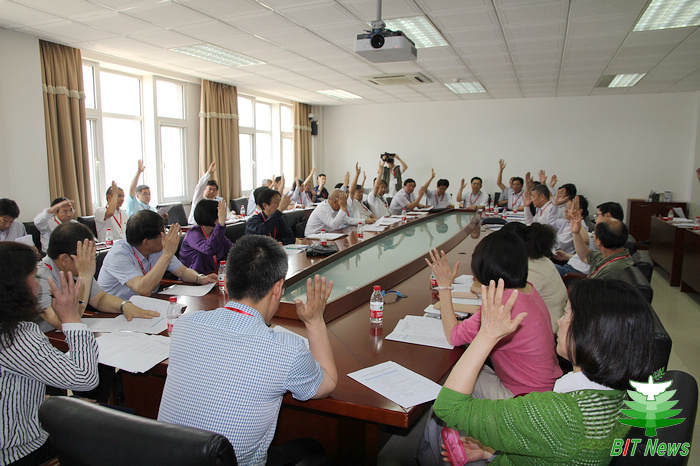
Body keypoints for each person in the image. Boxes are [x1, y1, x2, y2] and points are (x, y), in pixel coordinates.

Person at [431, 279, 655, 464]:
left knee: (433, 430)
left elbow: (449, 407)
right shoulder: (621, 398)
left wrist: (487, 334)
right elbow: (549, 453)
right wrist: (490, 453)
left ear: (589, 333)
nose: (559, 321)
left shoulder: (559, 415)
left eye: (567, 314)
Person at [158, 235, 337, 465]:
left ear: (227, 281)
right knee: (313, 448)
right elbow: (328, 383)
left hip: (170, 458)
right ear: (278, 288)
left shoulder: (184, 326)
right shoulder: (287, 350)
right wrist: (314, 321)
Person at [427, 234, 562, 399]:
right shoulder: (527, 289)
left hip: (522, 397)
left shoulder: (503, 305)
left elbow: (453, 336)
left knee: (452, 372)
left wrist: (444, 286)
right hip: (545, 386)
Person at [0, 242, 98, 465]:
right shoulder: (16, 335)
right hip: (20, 451)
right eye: (34, 277)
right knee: (117, 427)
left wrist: (53, 400)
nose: (38, 284)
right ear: (15, 286)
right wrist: (71, 317)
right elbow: (85, 378)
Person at [37, 222, 159, 330]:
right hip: (50, 340)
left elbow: (99, 298)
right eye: (88, 256)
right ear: (65, 259)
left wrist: (124, 305)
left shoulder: (72, 268)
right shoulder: (40, 278)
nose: (92, 261)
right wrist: (85, 277)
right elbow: (64, 322)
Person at [98, 210, 216, 300]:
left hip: (145, 304)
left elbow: (183, 271)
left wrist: (200, 278)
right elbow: (143, 289)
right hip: (115, 313)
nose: (166, 236)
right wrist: (167, 254)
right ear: (146, 242)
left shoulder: (158, 249)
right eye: (163, 233)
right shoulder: (119, 255)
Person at [501, 222, 567, 332]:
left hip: (547, 330)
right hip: (549, 322)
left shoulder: (531, 270)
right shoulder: (540, 260)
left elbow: (509, 301)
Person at [570, 197, 633, 279]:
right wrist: (576, 233)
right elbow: (585, 256)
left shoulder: (612, 270)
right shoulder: (608, 256)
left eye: (594, 236)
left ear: (599, 241)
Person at [179, 199, 233, 274]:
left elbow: (232, 249)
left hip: (213, 276)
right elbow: (209, 249)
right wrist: (220, 224)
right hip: (194, 278)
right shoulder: (193, 234)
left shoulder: (214, 233)